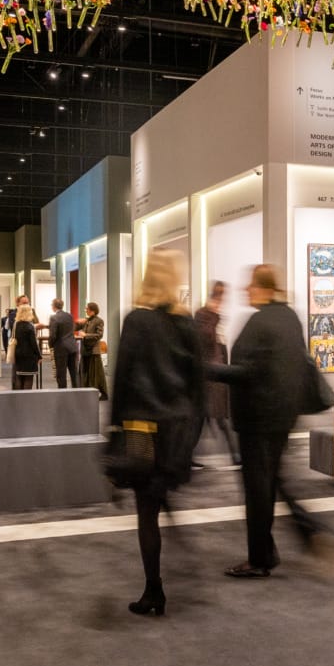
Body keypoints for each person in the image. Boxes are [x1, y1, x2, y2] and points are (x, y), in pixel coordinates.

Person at [209, 264, 334, 580]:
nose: (245, 291)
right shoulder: (289, 318)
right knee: (272, 484)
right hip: (281, 417)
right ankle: (302, 538)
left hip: (258, 419)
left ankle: (262, 557)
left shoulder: (260, 321)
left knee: (258, 490)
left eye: (250, 285)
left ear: (262, 287)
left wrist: (204, 369)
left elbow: (247, 372)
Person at [110, 250, 205, 617]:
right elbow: (198, 384)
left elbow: (122, 378)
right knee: (159, 494)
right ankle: (176, 559)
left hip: (142, 429)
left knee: (146, 511)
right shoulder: (188, 325)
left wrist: (114, 426)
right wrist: (194, 430)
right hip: (178, 431)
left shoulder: (136, 321)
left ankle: (154, 589)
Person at [193, 280, 238, 466]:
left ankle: (235, 456)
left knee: (215, 418)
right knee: (202, 418)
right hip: (208, 374)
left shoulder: (214, 317)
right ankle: (187, 456)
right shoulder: (205, 316)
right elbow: (204, 341)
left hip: (216, 373)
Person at [10, 300, 42, 390]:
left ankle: (19, 398)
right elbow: (33, 343)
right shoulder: (30, 326)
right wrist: (39, 356)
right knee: (28, 377)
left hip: (18, 354)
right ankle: (27, 398)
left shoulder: (16, 324)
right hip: (29, 356)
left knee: (19, 376)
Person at [80, 302, 109, 397]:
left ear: (92, 310)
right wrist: (78, 323)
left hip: (93, 351)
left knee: (96, 375)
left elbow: (99, 335)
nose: (85, 310)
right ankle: (87, 393)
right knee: (85, 374)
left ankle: (100, 394)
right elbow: (78, 329)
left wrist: (86, 335)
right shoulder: (87, 320)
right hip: (85, 350)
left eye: (87, 309)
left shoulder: (99, 321)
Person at [48, 298, 78, 389]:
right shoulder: (69, 316)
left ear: (53, 306)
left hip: (61, 348)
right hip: (72, 346)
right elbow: (71, 329)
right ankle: (77, 390)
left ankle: (63, 392)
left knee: (61, 373)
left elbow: (53, 335)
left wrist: (51, 345)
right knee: (74, 372)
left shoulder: (54, 318)